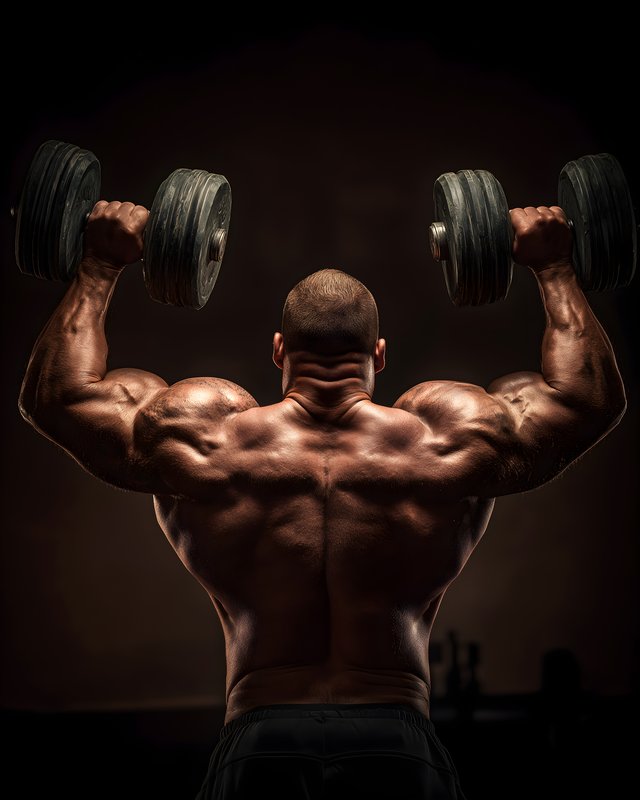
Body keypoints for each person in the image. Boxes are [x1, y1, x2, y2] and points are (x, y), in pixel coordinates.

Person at [19, 199, 626, 800]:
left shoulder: (207, 439)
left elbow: (59, 397)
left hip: (261, 742)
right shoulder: (444, 439)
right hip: (398, 744)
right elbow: (585, 400)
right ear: (378, 356)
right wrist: (554, 269)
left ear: (279, 350)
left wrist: (99, 266)